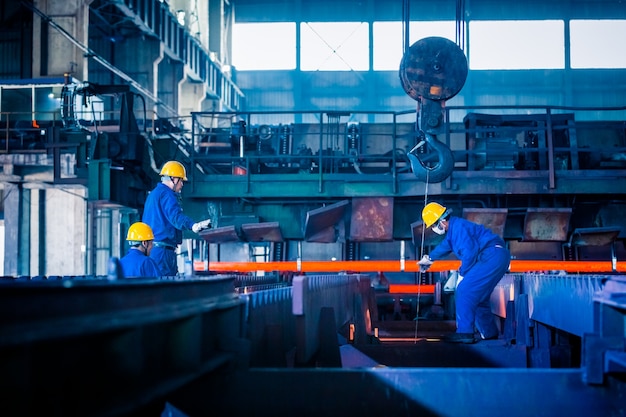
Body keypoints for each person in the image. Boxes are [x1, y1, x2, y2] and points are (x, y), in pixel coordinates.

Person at [418, 202, 511, 344]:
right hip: (495, 256)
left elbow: (470, 252)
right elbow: (445, 246)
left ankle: (464, 333)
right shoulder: (454, 230)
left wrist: (462, 274)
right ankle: (489, 333)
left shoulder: (458, 228)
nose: (434, 229)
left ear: (442, 221)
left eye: (434, 225)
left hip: (491, 256)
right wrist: (429, 258)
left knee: (464, 290)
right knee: (479, 298)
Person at [142, 160, 212, 276]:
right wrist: (193, 225)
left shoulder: (154, 194)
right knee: (166, 288)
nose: (182, 185)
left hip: (155, 250)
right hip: (163, 252)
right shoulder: (167, 194)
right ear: (173, 179)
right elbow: (175, 216)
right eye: (181, 180)